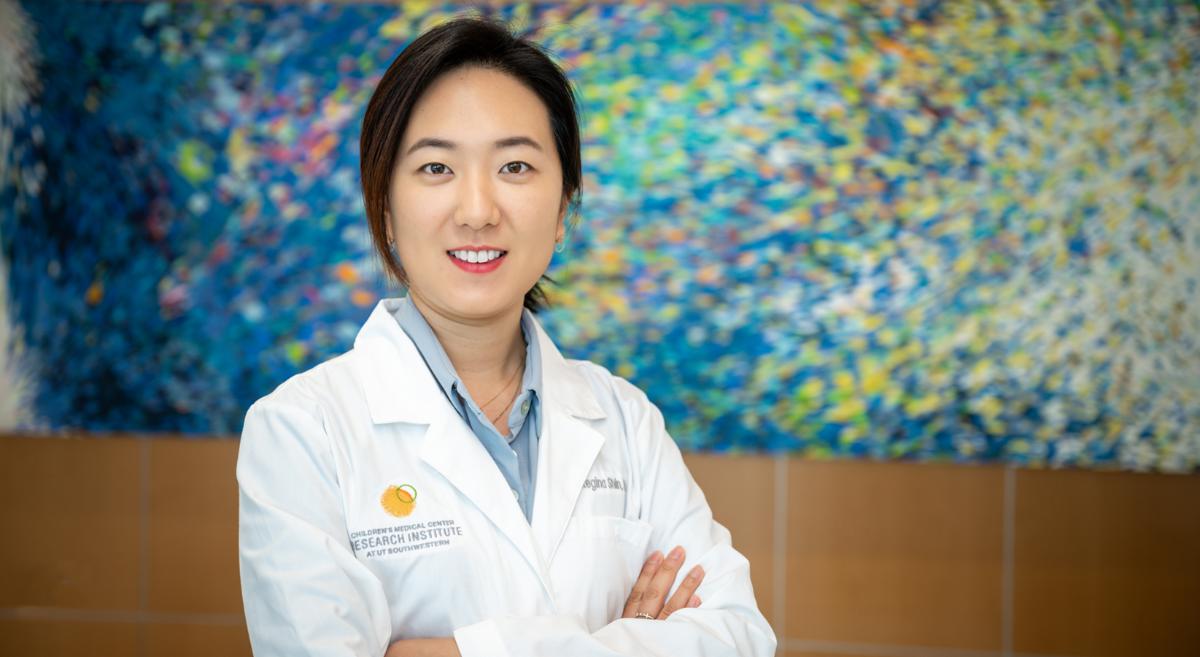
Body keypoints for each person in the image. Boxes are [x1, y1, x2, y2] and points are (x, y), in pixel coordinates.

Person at [237, 16, 776, 657]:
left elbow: (740, 637)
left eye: (515, 166)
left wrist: (451, 650)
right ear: (384, 208)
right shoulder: (303, 431)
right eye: (436, 168)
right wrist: (622, 642)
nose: (477, 210)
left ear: (562, 211)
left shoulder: (626, 422)